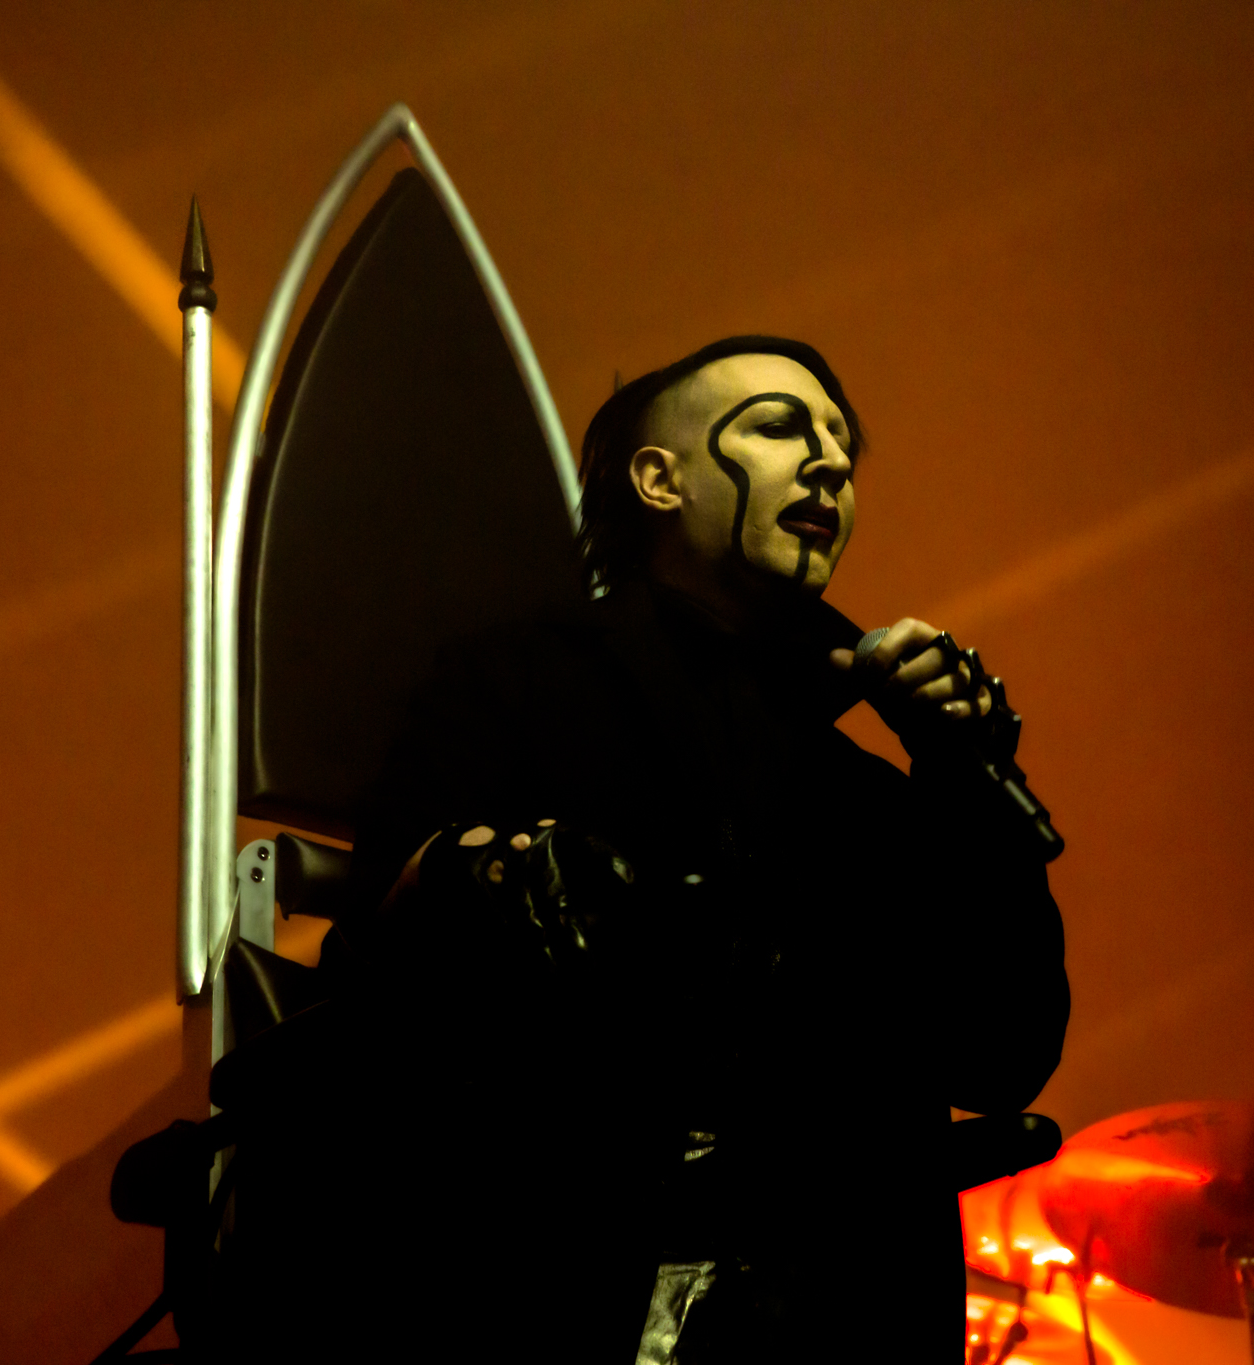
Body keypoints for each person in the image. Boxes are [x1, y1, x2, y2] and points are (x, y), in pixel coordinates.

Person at [317, 336, 1070, 1362]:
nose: (830, 463)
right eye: (776, 426)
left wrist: (967, 785)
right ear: (657, 478)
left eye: (842, 445)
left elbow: (1001, 1053)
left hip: (843, 1316)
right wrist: (489, 876)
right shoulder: (516, 682)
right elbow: (376, 945)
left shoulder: (866, 787)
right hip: (556, 1295)